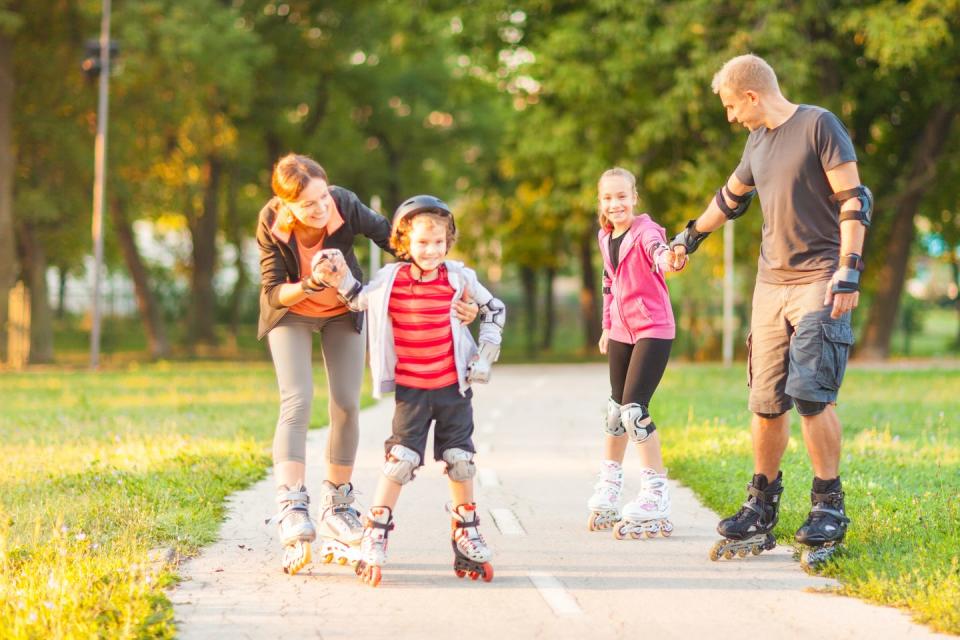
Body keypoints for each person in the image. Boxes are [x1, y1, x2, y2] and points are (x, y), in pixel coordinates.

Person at [669, 54, 871, 569]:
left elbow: (853, 199)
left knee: (810, 393)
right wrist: (689, 237)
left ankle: (827, 504)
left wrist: (849, 267)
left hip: (819, 278)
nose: (732, 116)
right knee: (765, 400)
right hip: (770, 284)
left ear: (752, 96)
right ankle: (761, 505)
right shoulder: (756, 141)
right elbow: (731, 197)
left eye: (733, 106)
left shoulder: (820, 125)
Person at [256, 155, 478, 575]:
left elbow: (400, 241)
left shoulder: (344, 203)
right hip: (292, 310)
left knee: (346, 403)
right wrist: (311, 282)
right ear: (287, 206)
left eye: (323, 196)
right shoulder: (271, 222)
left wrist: (454, 291)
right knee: (298, 399)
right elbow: (271, 293)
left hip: (344, 307)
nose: (321, 208)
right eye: (308, 204)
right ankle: (291, 502)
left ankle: (338, 501)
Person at [313, 194, 505, 587]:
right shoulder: (390, 280)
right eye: (421, 243)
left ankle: (466, 528)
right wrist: (335, 275)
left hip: (454, 387)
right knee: (400, 461)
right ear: (404, 242)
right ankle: (375, 528)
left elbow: (495, 310)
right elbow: (357, 299)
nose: (431, 250)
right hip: (413, 391)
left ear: (448, 241)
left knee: (461, 459)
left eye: (438, 242)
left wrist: (484, 355)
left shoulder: (459, 278)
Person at [587, 167, 685, 540]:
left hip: (653, 329)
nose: (616, 204)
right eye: (608, 198)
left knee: (634, 412)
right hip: (621, 331)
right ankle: (610, 486)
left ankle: (655, 494)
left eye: (622, 196)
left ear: (634, 197)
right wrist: (605, 327)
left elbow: (659, 254)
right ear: (601, 202)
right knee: (615, 412)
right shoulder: (605, 236)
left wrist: (670, 260)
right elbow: (609, 283)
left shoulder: (647, 231)